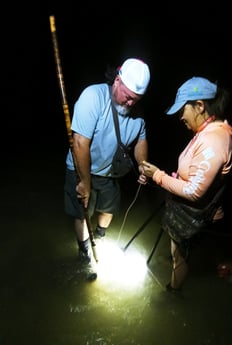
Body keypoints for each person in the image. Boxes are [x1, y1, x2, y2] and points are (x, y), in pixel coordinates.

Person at [141, 76, 232, 293]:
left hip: (195, 214)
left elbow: (194, 192)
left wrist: (159, 176)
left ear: (199, 106)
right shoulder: (209, 130)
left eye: (183, 109)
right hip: (190, 210)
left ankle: (172, 294)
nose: (180, 116)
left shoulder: (213, 140)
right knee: (183, 253)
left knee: (180, 256)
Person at [64, 58, 150, 281]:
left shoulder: (137, 111)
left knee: (109, 207)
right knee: (82, 211)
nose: (130, 103)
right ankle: (84, 249)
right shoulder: (94, 96)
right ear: (117, 80)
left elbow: (141, 140)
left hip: (110, 172)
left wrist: (142, 164)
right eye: (128, 96)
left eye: (136, 99)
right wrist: (84, 182)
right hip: (82, 168)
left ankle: (100, 237)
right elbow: (80, 142)